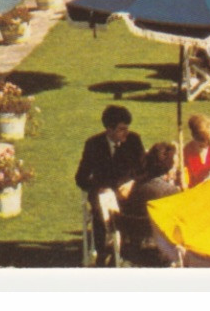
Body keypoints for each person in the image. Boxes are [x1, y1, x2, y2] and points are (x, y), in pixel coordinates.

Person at [76, 104, 146, 266]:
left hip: (128, 192)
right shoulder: (93, 145)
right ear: (109, 129)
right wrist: (97, 188)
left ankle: (129, 250)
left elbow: (144, 170)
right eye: (122, 129)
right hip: (103, 194)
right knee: (101, 206)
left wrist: (131, 183)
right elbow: (81, 177)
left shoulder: (133, 140)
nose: (126, 133)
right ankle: (103, 252)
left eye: (127, 128)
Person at [119, 142, 181, 266]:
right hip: (160, 248)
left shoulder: (137, 186)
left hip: (135, 243)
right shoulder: (170, 191)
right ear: (170, 166)